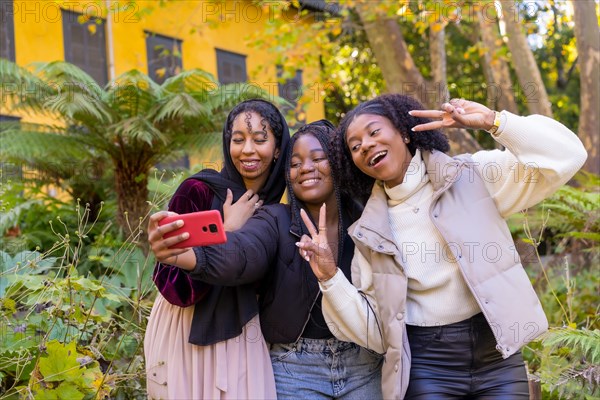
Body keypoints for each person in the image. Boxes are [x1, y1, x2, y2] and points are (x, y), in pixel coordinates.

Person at [297, 95, 587, 399]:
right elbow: (376, 331)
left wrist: (495, 121)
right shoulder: (369, 233)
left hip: (497, 357)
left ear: (404, 133)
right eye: (354, 147)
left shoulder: (473, 176)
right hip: (428, 366)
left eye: (373, 132)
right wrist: (330, 278)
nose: (365, 146)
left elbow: (567, 155)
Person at [150, 120, 383, 399]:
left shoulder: (367, 219)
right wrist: (188, 256)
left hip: (364, 365)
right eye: (294, 164)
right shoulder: (275, 219)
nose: (305, 168)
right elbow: (242, 254)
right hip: (295, 369)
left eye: (318, 158)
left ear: (338, 163)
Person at [144, 98, 290, 399]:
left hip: (244, 334)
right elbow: (172, 285)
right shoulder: (198, 190)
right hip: (184, 329)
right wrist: (228, 231)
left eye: (259, 139)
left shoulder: (278, 209)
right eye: (238, 140)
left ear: (277, 149)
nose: (247, 150)